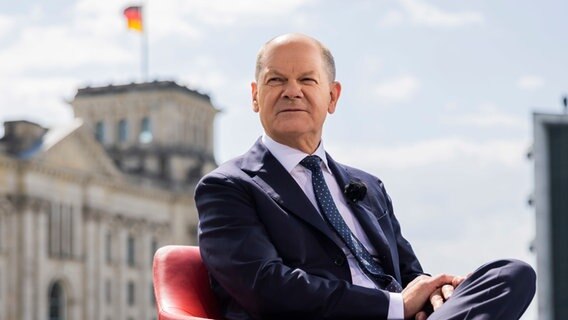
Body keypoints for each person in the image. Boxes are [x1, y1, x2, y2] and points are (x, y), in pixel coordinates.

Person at [195, 33, 536, 320]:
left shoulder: (368, 186)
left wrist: (434, 293)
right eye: (276, 80)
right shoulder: (229, 187)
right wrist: (393, 306)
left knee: (510, 274)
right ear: (255, 96)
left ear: (332, 96)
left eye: (307, 80)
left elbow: (410, 274)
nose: (291, 91)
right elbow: (265, 287)